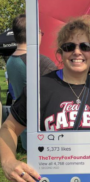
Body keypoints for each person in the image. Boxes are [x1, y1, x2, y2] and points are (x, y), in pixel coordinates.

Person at [0, 16, 90, 182]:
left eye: (85, 46)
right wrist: (8, 161)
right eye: (69, 46)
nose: (77, 52)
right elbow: (9, 127)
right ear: (60, 53)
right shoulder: (41, 87)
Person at [6, 14, 57, 150]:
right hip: (44, 131)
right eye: (40, 32)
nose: (41, 35)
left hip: (22, 125)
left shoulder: (10, 61)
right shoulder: (41, 62)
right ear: (34, 33)